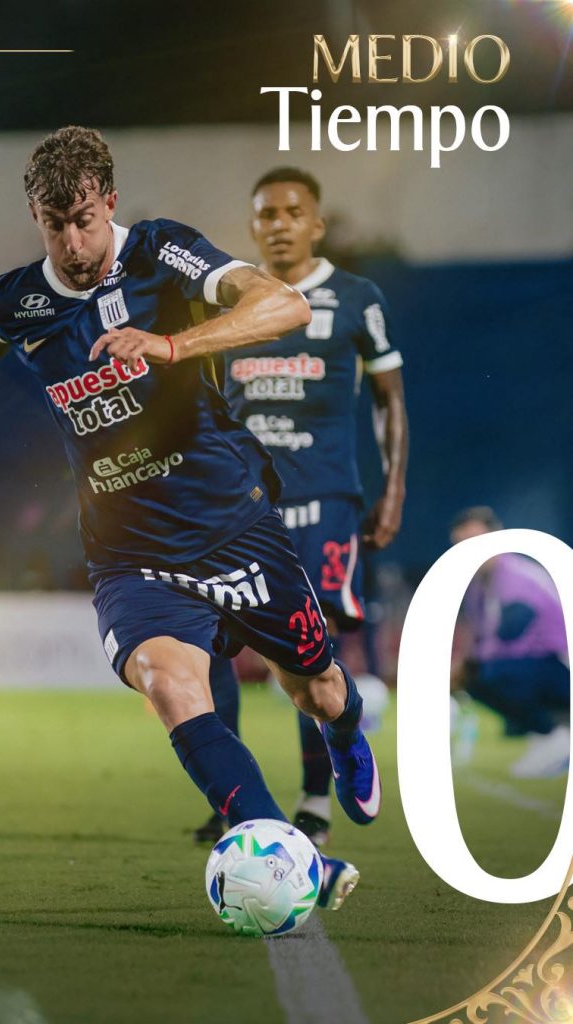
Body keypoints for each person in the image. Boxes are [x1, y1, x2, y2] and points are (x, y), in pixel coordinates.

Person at [0, 127, 382, 910]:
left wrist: (170, 345)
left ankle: (343, 731)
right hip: (130, 554)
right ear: (34, 217)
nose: (71, 243)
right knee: (169, 684)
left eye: (83, 220)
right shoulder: (20, 296)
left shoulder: (162, 253)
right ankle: (286, 855)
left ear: (109, 203)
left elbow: (284, 303)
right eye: (53, 225)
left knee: (316, 686)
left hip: (231, 525)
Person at [195, 166, 408, 846]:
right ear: (252, 225)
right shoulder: (227, 302)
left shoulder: (355, 298)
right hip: (240, 504)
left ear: (316, 223)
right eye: (267, 214)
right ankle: (229, 798)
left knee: (308, 645)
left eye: (292, 212)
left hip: (324, 500)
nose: (279, 224)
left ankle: (316, 797)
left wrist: (393, 489)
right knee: (210, 641)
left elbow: (389, 399)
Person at [451, 506, 570, 778]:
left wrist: (464, 668)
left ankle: (552, 734)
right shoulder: (479, 584)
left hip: (560, 665)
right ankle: (543, 734)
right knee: (479, 674)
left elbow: (510, 636)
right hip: (540, 665)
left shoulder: (517, 579)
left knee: (486, 675)